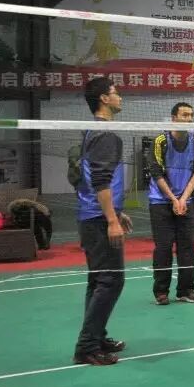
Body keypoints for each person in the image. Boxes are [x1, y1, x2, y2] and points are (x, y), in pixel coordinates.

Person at [72, 77, 130, 366]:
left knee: (98, 280)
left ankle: (96, 335)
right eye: (115, 93)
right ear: (104, 99)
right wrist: (111, 220)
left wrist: (116, 212)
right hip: (97, 217)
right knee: (111, 280)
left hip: (93, 214)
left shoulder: (93, 130)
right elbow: (100, 180)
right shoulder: (105, 133)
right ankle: (87, 347)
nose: (120, 97)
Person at [147, 102, 194, 305]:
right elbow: (157, 173)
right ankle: (161, 291)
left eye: (191, 115)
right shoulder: (160, 142)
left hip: (185, 200)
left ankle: (186, 290)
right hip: (160, 201)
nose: (189, 119)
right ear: (174, 118)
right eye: (184, 115)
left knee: (187, 247)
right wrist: (173, 199)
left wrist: (182, 199)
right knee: (163, 247)